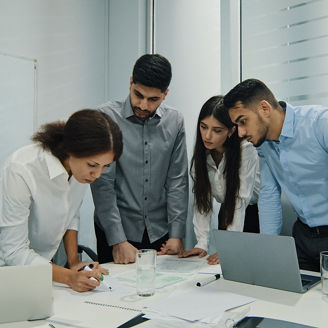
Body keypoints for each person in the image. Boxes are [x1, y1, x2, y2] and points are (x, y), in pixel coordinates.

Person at [0, 109, 123, 292]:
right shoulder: (22, 169)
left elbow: (71, 215)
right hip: (9, 273)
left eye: (105, 166)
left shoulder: (79, 172)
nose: (97, 175)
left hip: (44, 271)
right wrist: (69, 277)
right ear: (70, 149)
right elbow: (13, 252)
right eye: (92, 165)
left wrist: (74, 262)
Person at [91, 54, 189, 264]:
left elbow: (177, 181)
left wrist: (176, 233)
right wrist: (117, 240)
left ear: (165, 94)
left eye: (153, 99)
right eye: (138, 95)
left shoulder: (175, 121)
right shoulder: (106, 117)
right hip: (116, 230)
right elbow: (103, 185)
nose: (143, 105)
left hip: (160, 232)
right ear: (130, 83)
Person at [224, 78, 328, 272]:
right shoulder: (264, 145)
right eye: (236, 125)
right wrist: (268, 251)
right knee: (293, 298)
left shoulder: (320, 124)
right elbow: (269, 195)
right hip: (303, 238)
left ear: (264, 108)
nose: (240, 133)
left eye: (243, 121)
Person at [180, 95, 260, 264]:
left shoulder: (246, 150)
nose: (207, 136)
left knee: (247, 269)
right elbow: (202, 201)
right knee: (222, 268)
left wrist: (230, 247)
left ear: (231, 131)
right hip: (228, 210)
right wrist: (201, 243)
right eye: (203, 127)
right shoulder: (202, 155)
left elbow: (240, 199)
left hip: (253, 213)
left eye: (217, 130)